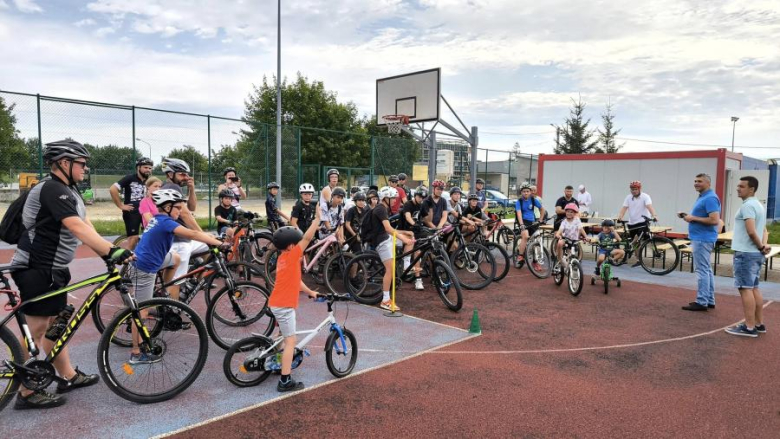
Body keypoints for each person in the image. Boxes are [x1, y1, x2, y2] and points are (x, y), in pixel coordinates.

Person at [11, 140, 132, 409]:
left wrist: (105, 250)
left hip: (53, 270)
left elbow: (86, 225)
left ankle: (66, 376)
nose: (85, 168)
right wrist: (113, 252)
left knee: (57, 323)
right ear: (64, 163)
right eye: (82, 163)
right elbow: (76, 226)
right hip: (36, 269)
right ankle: (26, 391)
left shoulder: (68, 190)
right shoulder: (53, 189)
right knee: (37, 328)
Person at [128, 189, 228, 363]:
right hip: (144, 268)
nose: (180, 211)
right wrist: (220, 243)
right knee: (140, 312)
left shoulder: (159, 219)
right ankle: (136, 353)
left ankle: (165, 291)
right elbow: (193, 234)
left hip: (155, 259)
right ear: (167, 207)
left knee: (175, 258)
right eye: (177, 208)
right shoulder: (166, 222)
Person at [267, 210, 321, 392]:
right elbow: (307, 238)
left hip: (276, 303)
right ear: (291, 246)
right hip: (284, 306)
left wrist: (310, 291)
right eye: (297, 245)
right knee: (291, 340)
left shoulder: (283, 259)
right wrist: (317, 220)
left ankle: (276, 361)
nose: (300, 247)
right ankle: (285, 380)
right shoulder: (291, 256)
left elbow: (296, 281)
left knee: (281, 336)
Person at [725, 176, 770, 338]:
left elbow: (751, 231)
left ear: (751, 189)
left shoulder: (748, 206)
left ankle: (749, 327)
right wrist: (763, 246)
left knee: (745, 289)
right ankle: (758, 324)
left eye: (742, 186)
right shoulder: (758, 205)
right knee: (754, 287)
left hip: (745, 253)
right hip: (754, 253)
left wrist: (760, 246)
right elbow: (763, 230)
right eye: (738, 186)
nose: (738, 188)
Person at [160, 157, 204, 301]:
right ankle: (172, 313)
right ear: (170, 174)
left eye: (186, 174)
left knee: (211, 251)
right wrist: (203, 235)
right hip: (178, 242)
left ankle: (191, 283)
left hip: (182, 239)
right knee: (176, 281)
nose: (186, 177)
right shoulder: (172, 187)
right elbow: (186, 215)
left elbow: (191, 208)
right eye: (182, 174)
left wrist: (191, 188)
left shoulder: (173, 189)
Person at [366, 187, 414, 311]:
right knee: (390, 269)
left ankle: (406, 265)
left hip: (386, 237)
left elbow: (389, 230)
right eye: (392, 198)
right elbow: (388, 229)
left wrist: (405, 233)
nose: (395, 201)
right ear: (385, 198)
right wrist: (403, 238)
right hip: (381, 241)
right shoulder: (381, 209)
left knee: (410, 237)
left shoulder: (383, 208)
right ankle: (385, 300)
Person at [681, 174, 721, 312]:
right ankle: (709, 300)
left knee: (702, 270)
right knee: (707, 270)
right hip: (702, 237)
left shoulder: (710, 198)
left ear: (708, 183)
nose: (696, 183)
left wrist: (692, 218)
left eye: (699, 181)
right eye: (695, 181)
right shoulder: (704, 196)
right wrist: (689, 217)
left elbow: (714, 220)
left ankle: (702, 301)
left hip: (702, 239)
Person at [110, 157, 153, 249]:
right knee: (134, 237)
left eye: (150, 168)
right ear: (138, 167)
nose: (148, 170)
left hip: (146, 211)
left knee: (153, 234)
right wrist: (121, 205)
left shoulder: (149, 181)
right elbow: (113, 189)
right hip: (132, 212)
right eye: (145, 167)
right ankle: (128, 261)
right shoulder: (129, 178)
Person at [617, 181, 658, 267]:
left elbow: (649, 207)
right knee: (636, 243)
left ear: (639, 189)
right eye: (632, 189)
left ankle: (627, 251)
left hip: (642, 222)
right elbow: (624, 208)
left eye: (635, 189)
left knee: (636, 240)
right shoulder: (628, 197)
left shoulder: (645, 197)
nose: (633, 191)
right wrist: (620, 216)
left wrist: (654, 215)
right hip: (632, 223)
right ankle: (638, 260)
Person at [399, 187, 426, 290]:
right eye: (419, 196)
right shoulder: (408, 204)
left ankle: (418, 279)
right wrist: (415, 224)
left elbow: (424, 217)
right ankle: (406, 263)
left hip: (416, 231)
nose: (421, 199)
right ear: (415, 195)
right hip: (404, 231)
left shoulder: (422, 205)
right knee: (411, 238)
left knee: (418, 252)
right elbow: (408, 217)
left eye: (423, 197)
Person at [514, 183, 545, 268]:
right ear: (521, 192)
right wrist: (521, 225)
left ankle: (535, 262)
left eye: (527, 191)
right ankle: (520, 256)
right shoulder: (519, 202)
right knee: (525, 236)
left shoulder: (533, 200)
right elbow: (519, 213)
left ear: (530, 192)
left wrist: (540, 220)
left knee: (537, 240)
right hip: (523, 222)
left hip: (532, 221)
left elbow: (542, 209)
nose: (526, 193)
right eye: (524, 191)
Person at [553, 203, 588, 274]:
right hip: (566, 239)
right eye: (568, 211)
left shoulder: (577, 220)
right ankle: (560, 259)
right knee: (560, 243)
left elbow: (581, 229)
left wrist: (586, 237)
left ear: (575, 213)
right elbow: (560, 231)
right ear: (565, 212)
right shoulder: (564, 222)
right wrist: (558, 235)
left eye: (571, 212)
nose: (569, 213)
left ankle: (569, 266)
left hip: (574, 241)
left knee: (571, 255)